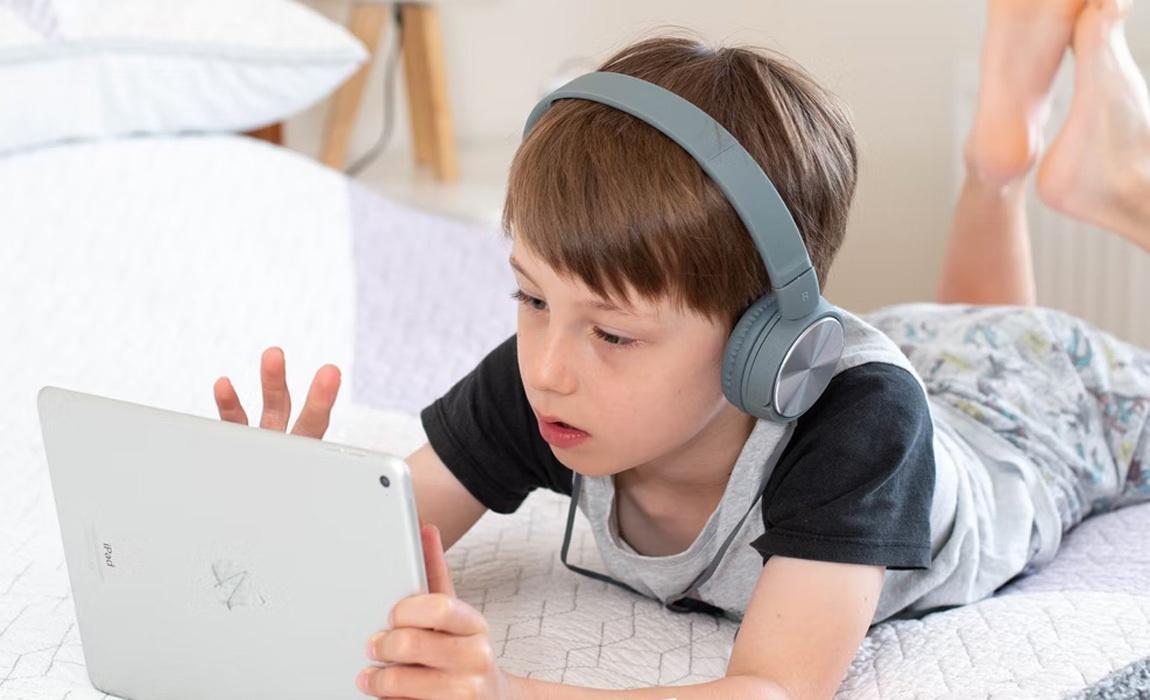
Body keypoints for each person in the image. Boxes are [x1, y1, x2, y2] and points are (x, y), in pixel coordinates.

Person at [213, 0, 1150, 697]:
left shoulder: (862, 427)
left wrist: (503, 693)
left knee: (1005, 355)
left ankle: (1123, 186)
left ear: (766, 349)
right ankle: (998, 168)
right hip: (929, 349)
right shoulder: (549, 382)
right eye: (531, 296)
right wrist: (297, 521)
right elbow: (375, 536)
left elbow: (773, 689)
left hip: (1045, 407)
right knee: (958, 334)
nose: (548, 363)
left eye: (614, 331)